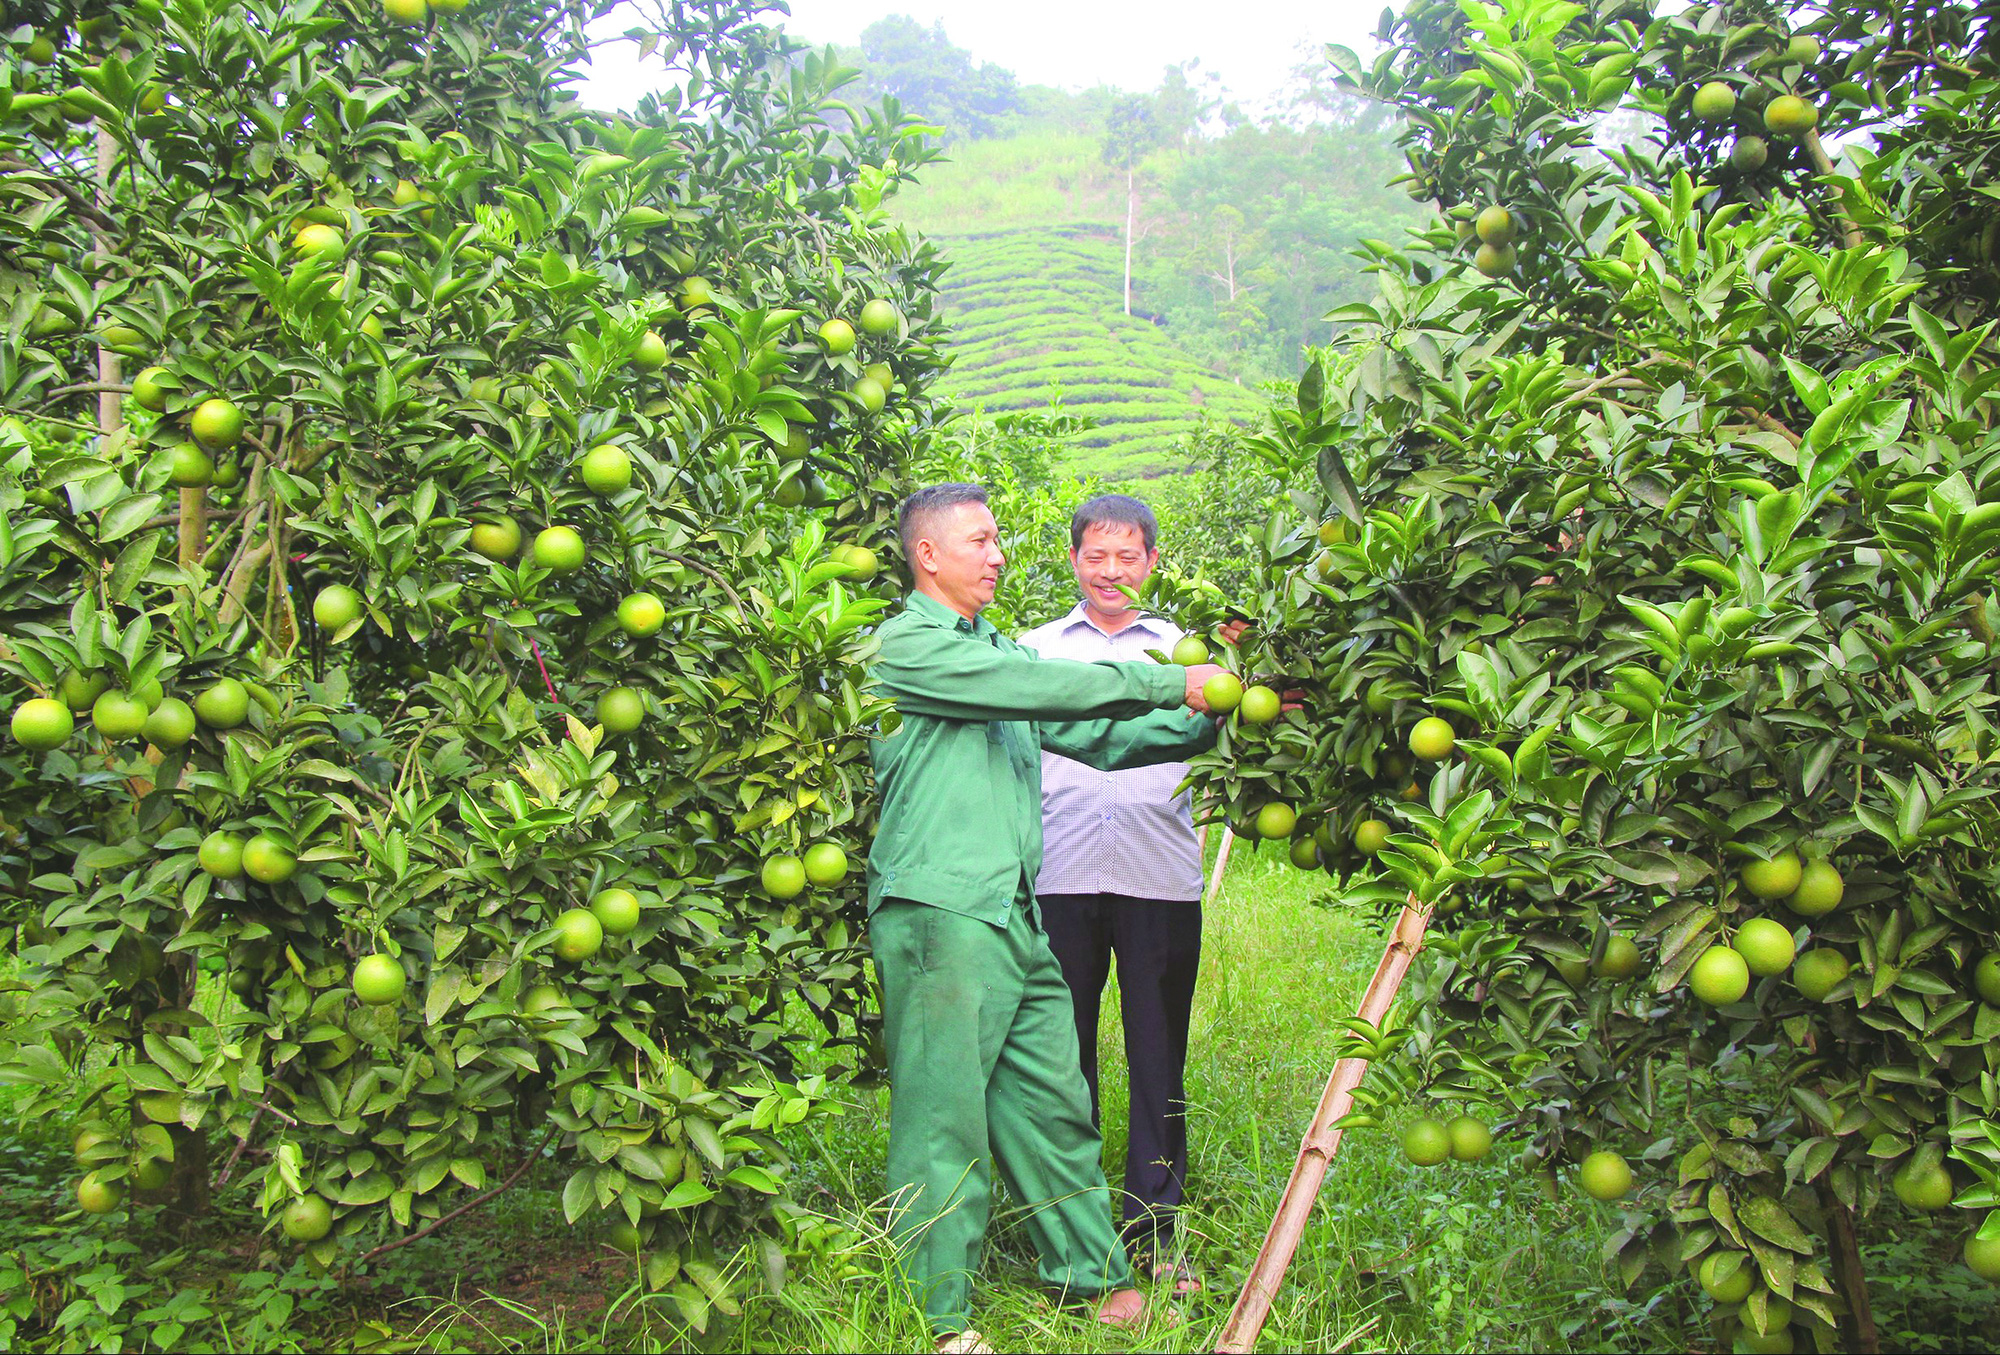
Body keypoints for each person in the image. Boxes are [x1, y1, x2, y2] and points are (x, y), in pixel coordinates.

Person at [866, 482, 1226, 1353]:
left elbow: (1104, 740)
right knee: (944, 1117)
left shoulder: (987, 646)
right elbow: (1046, 684)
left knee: (1053, 1103)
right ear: (928, 555)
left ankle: (1090, 1271)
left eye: (997, 541)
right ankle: (939, 1315)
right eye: (980, 541)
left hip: (1013, 909)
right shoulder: (911, 647)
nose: (997, 555)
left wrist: (1207, 714)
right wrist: (1174, 676)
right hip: (942, 909)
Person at [1018, 494, 1206, 1289]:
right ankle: (1075, 1217)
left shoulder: (1183, 657)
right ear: (1073, 559)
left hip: (1158, 873)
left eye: (1127, 556)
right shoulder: (1031, 650)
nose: (1111, 571)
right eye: (1096, 555)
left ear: (1152, 562)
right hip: (1058, 872)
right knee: (1063, 1055)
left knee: (1158, 1052)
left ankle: (1157, 1225)